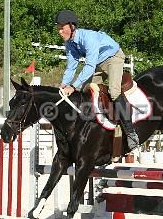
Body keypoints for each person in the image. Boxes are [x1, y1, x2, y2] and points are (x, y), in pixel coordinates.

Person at [55, 9, 139, 150]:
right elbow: (71, 67)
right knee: (85, 91)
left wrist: (73, 86)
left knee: (113, 91)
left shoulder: (89, 38)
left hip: (113, 58)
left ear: (71, 26)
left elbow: (89, 66)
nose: (60, 32)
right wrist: (63, 85)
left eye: (62, 28)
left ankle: (131, 133)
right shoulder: (69, 44)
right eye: (59, 28)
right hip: (99, 63)